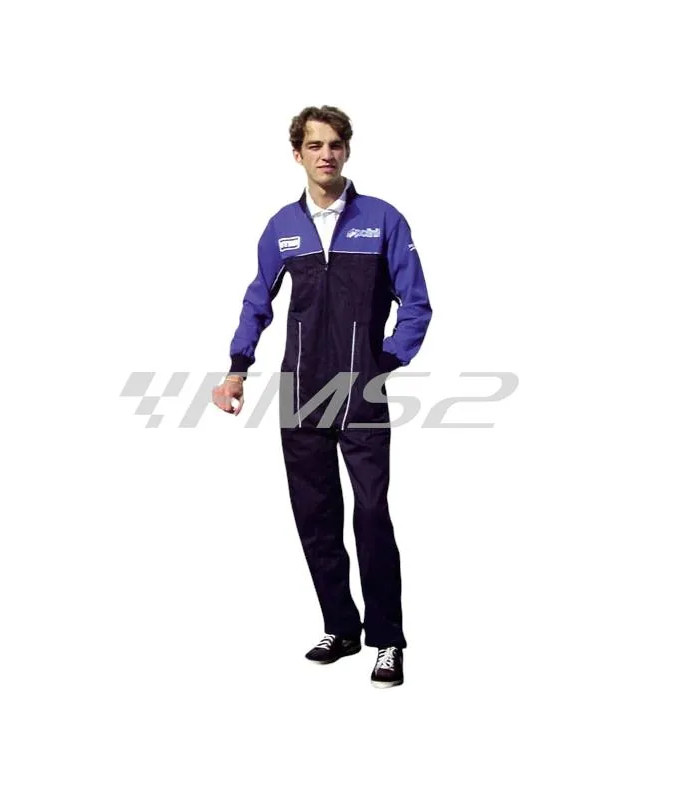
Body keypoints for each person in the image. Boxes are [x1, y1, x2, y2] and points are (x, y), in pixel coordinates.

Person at [212, 105, 432, 688]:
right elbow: (257, 300)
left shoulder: (382, 219)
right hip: (301, 390)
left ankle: (387, 639)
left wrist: (388, 359)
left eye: (334, 144)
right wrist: (237, 369)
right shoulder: (282, 227)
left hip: (362, 391)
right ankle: (341, 626)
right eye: (314, 145)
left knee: (371, 514)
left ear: (347, 151)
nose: (325, 154)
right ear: (298, 154)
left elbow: (416, 302)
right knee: (315, 516)